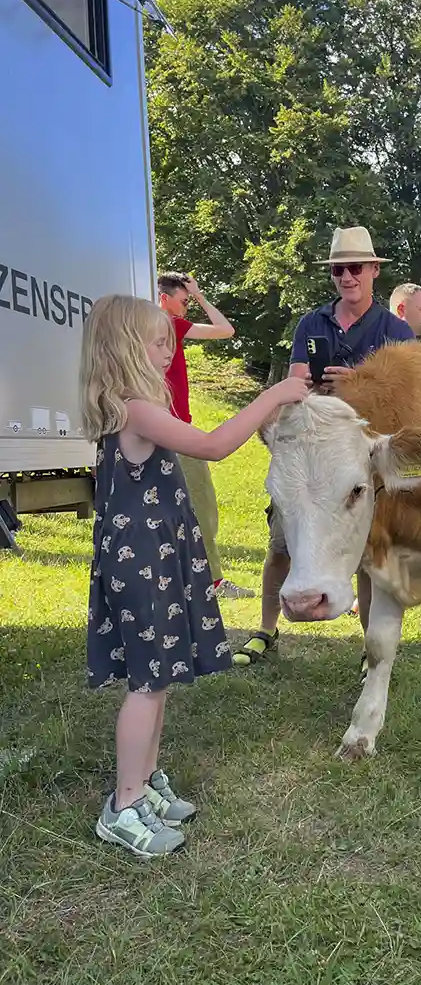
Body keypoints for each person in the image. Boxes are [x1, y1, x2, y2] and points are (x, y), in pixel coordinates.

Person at [80, 294, 307, 857]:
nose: (169, 350)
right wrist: (274, 394)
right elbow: (213, 446)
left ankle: (146, 782)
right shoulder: (135, 409)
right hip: (142, 561)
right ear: (127, 348)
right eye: (158, 342)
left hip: (154, 556)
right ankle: (123, 806)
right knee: (146, 684)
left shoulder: (132, 408)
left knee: (157, 677)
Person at [234, 226, 415, 665]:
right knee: (282, 543)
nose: (347, 277)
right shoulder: (312, 323)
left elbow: (408, 399)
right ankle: (265, 629)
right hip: (311, 455)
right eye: (338, 270)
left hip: (361, 460)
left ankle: (371, 648)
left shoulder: (397, 331)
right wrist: (307, 382)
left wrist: (358, 384)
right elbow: (295, 380)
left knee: (370, 554)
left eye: (355, 268)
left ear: (374, 270)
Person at [158, 272, 254, 599]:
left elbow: (226, 331)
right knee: (201, 503)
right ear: (164, 299)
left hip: (160, 429)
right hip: (177, 431)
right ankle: (211, 582)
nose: (186, 307)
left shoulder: (151, 327)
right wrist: (200, 296)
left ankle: (181, 579)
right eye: (184, 301)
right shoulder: (169, 324)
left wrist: (194, 296)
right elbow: (226, 330)